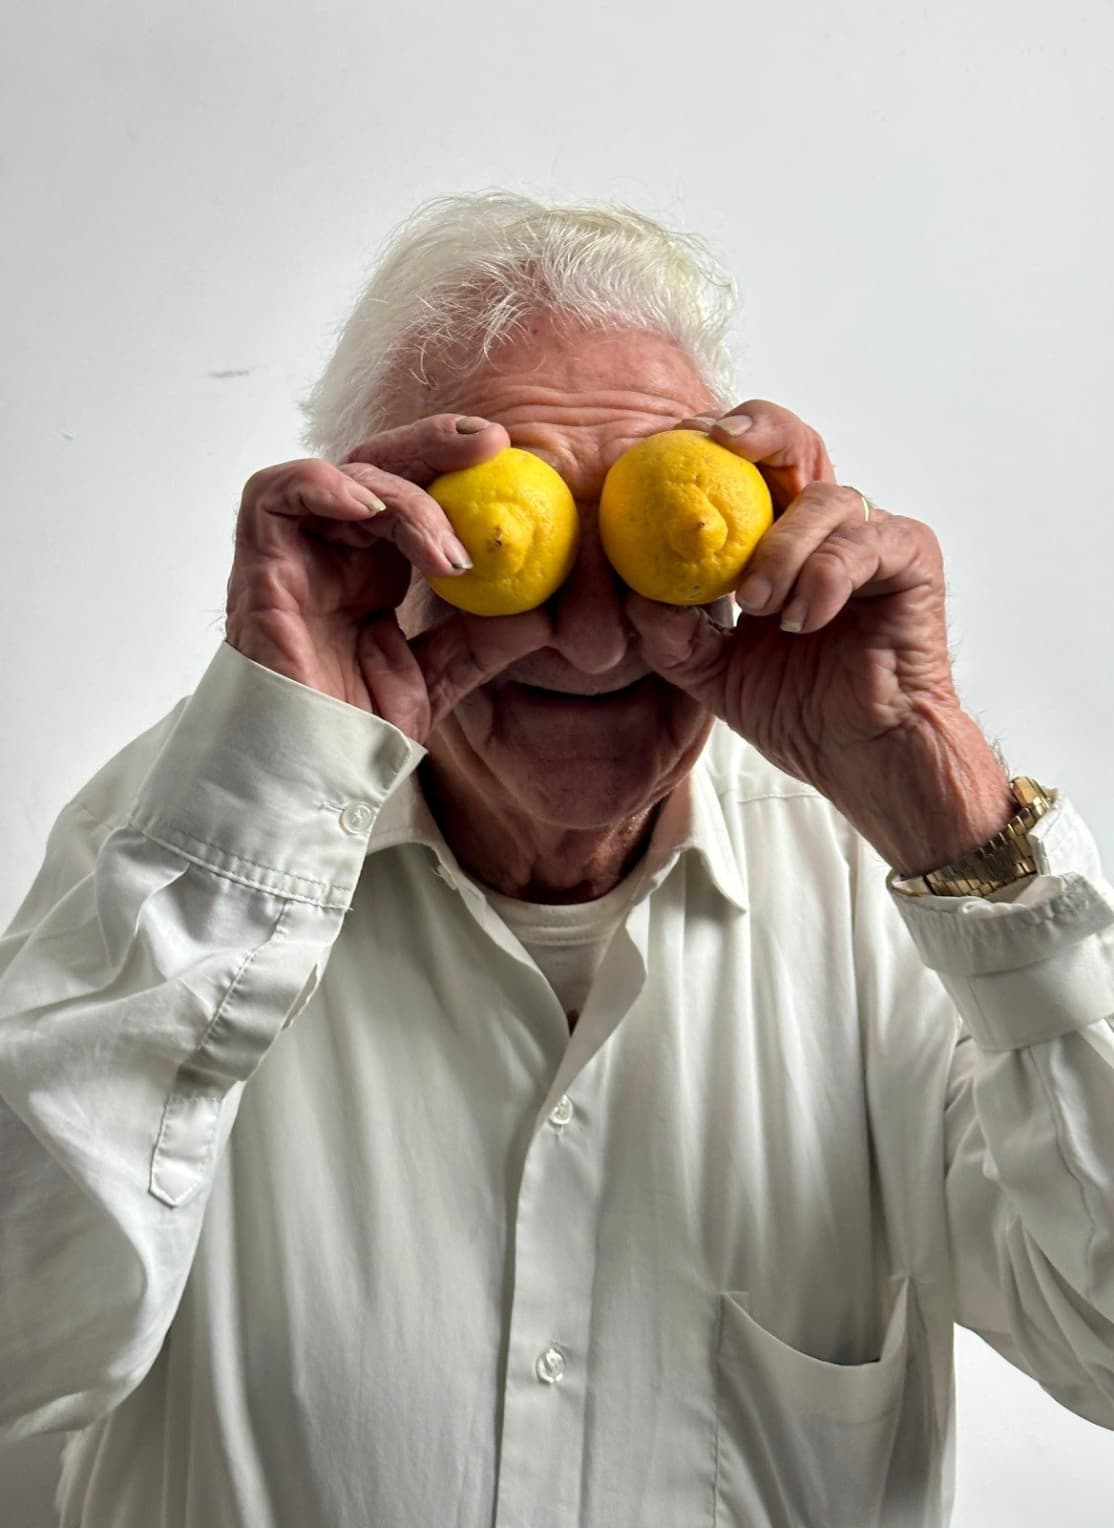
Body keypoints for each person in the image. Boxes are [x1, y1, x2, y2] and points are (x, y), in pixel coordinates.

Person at [2, 191, 1113, 1528]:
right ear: (375, 544)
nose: (590, 646)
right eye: (508, 551)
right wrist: (260, 799)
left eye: (641, 549)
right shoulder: (189, 836)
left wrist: (946, 804)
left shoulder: (903, 884)